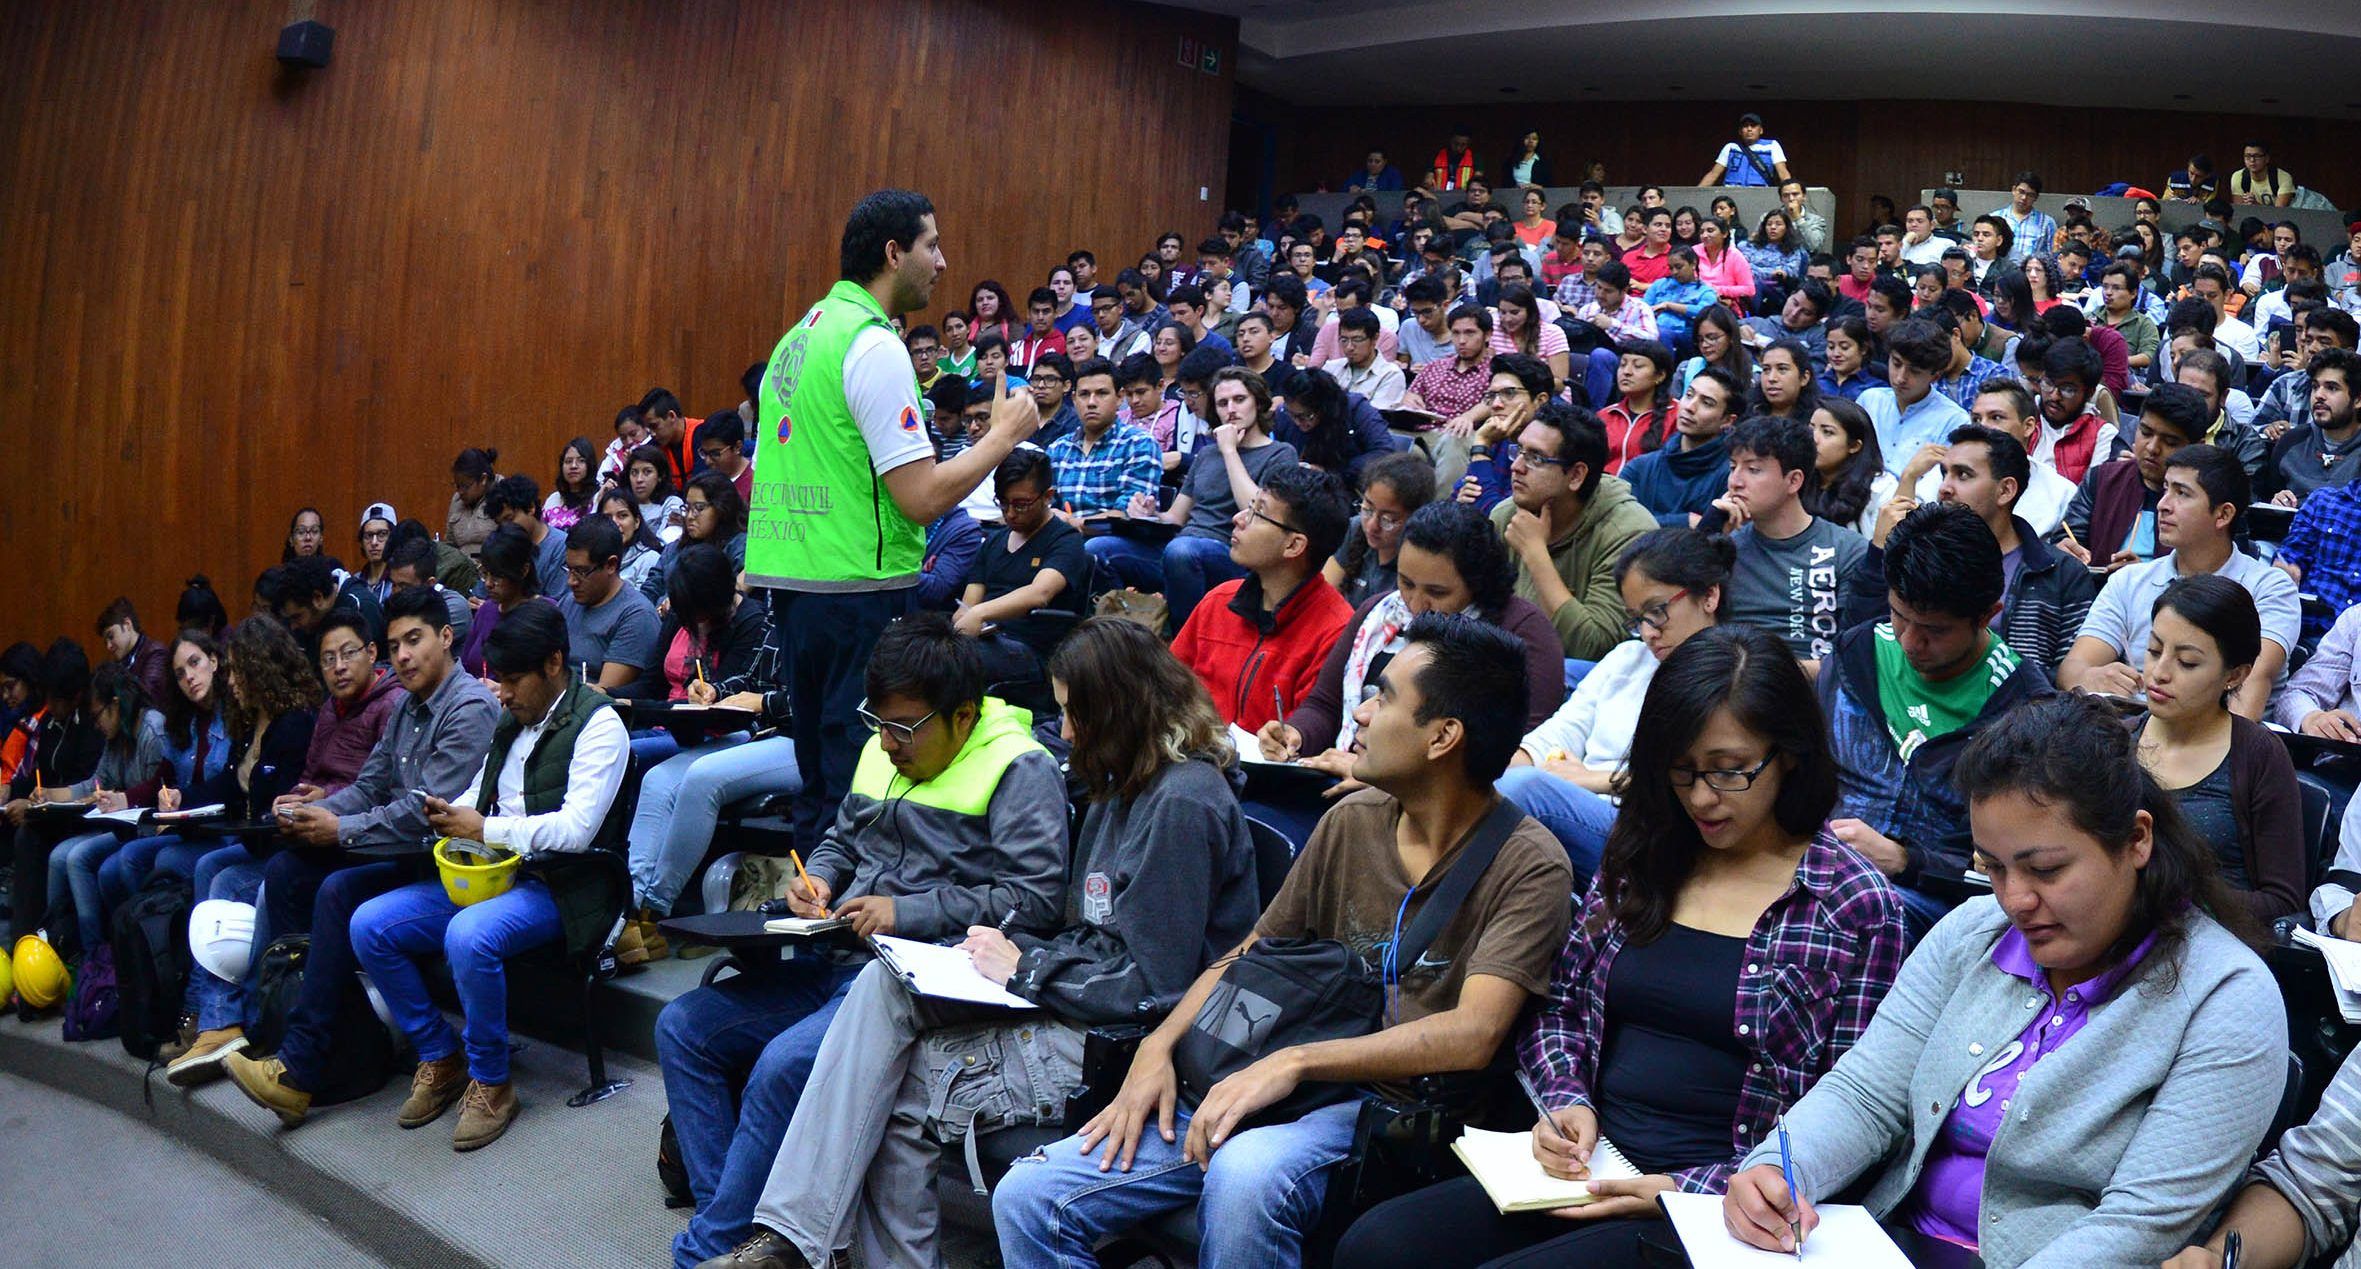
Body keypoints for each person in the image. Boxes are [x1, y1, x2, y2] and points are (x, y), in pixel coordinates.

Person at [995, 612, 1573, 1269]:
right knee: (1029, 1197)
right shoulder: (1352, 820)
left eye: (1383, 698)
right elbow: (1250, 950)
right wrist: (1158, 1046)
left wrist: (1294, 1062)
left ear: (1443, 736)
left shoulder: (1528, 862)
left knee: (1247, 1172)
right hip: (1272, 1068)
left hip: (1391, 1107)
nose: (1360, 714)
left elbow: (1473, 1033)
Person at [1341, 626, 1909, 1269]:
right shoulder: (1647, 855)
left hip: (1722, 1205)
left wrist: (1683, 1189)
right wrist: (1565, 1102)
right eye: (1681, 770)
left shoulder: (1852, 905)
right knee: (1376, 1246)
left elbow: (1854, 1109)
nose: (1701, 796)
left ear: (1791, 756)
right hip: (1590, 1166)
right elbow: (1561, 1007)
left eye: (1729, 771)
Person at [706, 618, 1264, 1269]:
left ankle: (800, 1242)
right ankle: (797, 1237)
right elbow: (1083, 931)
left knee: (902, 1087)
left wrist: (1026, 967)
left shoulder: (1182, 803)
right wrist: (1004, 955)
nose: (1066, 732)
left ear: (1117, 711)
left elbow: (1153, 989)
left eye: (1074, 713)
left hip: (1130, 1042)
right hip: (1072, 996)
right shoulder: (1123, 783)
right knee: (884, 983)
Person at [1722, 692, 2282, 1265]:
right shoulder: (1972, 933)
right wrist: (1779, 1170)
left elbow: (2138, 1225)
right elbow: (1865, 1095)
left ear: (2137, 840)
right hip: (1890, 1244)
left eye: (2046, 870)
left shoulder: (2225, 998)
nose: (2015, 899)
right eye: (1992, 867)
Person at [655, 613, 1067, 1269]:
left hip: (915, 982)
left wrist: (906, 911)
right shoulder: (887, 743)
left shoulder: (1020, 768)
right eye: (878, 724)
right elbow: (843, 838)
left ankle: (709, 1248)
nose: (888, 742)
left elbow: (1036, 900)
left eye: (904, 728)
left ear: (962, 716)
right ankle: (731, 1230)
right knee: (684, 1027)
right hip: (837, 951)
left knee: (785, 1064)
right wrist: (817, 876)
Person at [741, 193, 1043, 849]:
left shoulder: (799, 338)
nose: (942, 262)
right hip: (856, 589)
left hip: (794, 587)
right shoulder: (872, 345)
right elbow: (921, 498)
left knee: (818, 777)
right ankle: (841, 912)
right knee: (859, 784)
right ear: (893, 253)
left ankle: (811, 905)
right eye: (931, 245)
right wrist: (1003, 436)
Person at [343, 602, 629, 1151]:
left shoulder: (600, 724)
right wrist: (451, 812)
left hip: (565, 885)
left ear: (553, 664)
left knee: (468, 935)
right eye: (499, 678)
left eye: (513, 679)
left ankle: (493, 1081)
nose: (503, 692)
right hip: (497, 874)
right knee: (370, 925)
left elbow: (576, 831)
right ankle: (439, 1055)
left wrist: (485, 828)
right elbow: (480, 791)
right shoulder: (511, 719)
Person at [222, 586, 501, 1127]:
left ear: (447, 638)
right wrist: (314, 810)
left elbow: (424, 814)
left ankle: (302, 1066)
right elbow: (369, 785)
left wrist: (339, 829)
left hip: (443, 861)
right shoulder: (408, 706)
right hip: (398, 850)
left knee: (336, 890)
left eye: (414, 640)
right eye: (395, 645)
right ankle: (323, 1048)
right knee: (286, 872)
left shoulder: (469, 707)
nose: (403, 656)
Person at [1819, 503, 2054, 931]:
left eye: (1935, 630)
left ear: (1988, 615)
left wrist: (1905, 861)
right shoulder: (1857, 655)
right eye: (1898, 615)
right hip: (1818, 870)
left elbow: (2015, 868)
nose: (1910, 642)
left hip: (1935, 911)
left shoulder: (2024, 709)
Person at [1493, 527, 1732, 879]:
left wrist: (1595, 780)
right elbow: (1561, 731)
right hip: (1579, 804)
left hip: (1651, 829)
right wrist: (1494, 772)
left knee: (1524, 790)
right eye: (1636, 619)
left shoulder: (1732, 674)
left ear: (1709, 596)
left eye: (1657, 611)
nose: (1648, 632)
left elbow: (1706, 780)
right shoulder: (1628, 658)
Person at [2061, 444, 2297, 721]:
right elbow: (2073, 668)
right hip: (2129, 731)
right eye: (2165, 489)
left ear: (2223, 515)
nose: (2162, 505)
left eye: (2182, 493)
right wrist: (2092, 677)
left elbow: (2247, 695)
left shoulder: (2269, 589)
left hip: (2220, 738)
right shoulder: (2129, 581)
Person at [2123, 575, 2306, 925]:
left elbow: (2283, 900)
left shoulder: (2258, 756)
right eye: (2154, 650)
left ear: (2234, 676)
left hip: (2215, 940)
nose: (2159, 673)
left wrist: (2168, 898)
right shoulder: (2116, 743)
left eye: (2187, 662)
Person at [1871, 423, 2094, 676]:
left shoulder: (2060, 572)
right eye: (1944, 474)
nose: (1944, 488)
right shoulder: (1915, 554)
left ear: (2006, 490)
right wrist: (1877, 551)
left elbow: (2072, 673)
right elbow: (1868, 637)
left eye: (1963, 475)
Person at [1093, 368, 1302, 631]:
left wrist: (1230, 451)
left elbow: (1257, 514)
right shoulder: (1207, 455)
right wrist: (1150, 514)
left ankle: (1185, 643)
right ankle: (1126, 634)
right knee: (1098, 549)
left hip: (1234, 553)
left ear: (1258, 403)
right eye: (1222, 403)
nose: (1231, 410)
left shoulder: (1280, 453)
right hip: (1180, 548)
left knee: (1182, 551)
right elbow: (1176, 517)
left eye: (1239, 400)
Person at [1172, 463, 1355, 733]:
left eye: (1258, 513)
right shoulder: (1219, 600)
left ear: (1294, 545)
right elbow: (1169, 687)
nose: (1238, 519)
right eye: (1250, 506)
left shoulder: (1335, 631)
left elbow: (1303, 734)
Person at [1487, 400, 1659, 660]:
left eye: (1535, 458)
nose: (1516, 466)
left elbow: (1594, 648)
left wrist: (1536, 555)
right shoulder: (1506, 515)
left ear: (1576, 475)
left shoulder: (1629, 532)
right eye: (1518, 451)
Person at [26, 663, 164, 958]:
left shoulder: (152, 729)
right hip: (124, 827)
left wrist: (122, 798)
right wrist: (51, 794)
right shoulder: (115, 738)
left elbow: (161, 787)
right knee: (58, 856)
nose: (96, 724)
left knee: (78, 858)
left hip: (147, 828)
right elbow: (95, 783)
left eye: (98, 715)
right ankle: (54, 947)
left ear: (115, 705)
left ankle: (95, 954)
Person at [1707, 414, 1867, 663]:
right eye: (1732, 467)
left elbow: (1854, 658)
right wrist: (1708, 534)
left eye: (1753, 469)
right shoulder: (1724, 546)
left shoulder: (1847, 549)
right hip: (1730, 673)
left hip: (1811, 680)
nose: (1735, 482)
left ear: (1793, 480)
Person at [954, 448, 1091, 706]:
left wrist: (979, 614)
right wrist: (962, 620)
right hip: (988, 638)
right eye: (1003, 503)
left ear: (1047, 496)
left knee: (955, 660)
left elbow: (1040, 593)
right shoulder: (994, 541)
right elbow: (968, 602)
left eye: (1021, 505)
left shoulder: (1065, 540)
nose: (1010, 513)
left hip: (1035, 650)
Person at [2059, 383, 2211, 574]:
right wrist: (2066, 550)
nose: (2152, 448)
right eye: (2146, 433)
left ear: (2197, 446)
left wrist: (2141, 577)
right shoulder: (2102, 479)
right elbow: (2070, 535)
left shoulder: (2207, 500)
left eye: (2170, 442)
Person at [1046, 356, 1158, 526]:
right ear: (1074, 399)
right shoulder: (1058, 449)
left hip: (1115, 537)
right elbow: (1044, 503)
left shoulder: (1139, 444)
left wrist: (1074, 524)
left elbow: (1129, 514)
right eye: (1084, 394)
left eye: (1102, 393)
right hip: (1061, 536)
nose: (1091, 402)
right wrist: (1050, 513)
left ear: (1119, 397)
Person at [555, 518, 661, 695]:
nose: (571, 581)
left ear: (611, 565)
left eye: (581, 572)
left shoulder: (636, 616)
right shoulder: (568, 602)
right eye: (569, 569)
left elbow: (602, 695)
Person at [1622, 366, 1741, 525]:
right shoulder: (1640, 468)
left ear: (1727, 420)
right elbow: (1619, 526)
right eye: (1689, 395)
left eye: (1707, 403)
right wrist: (1685, 521)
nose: (1690, 407)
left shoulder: (1732, 477)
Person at [1861, 318, 1971, 479]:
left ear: (1935, 376)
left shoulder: (1954, 420)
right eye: (1896, 364)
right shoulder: (1870, 400)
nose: (1900, 378)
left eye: (1914, 371)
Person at [1327, 452, 1436, 608]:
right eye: (1367, 509)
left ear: (1415, 518)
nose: (1372, 526)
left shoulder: (1422, 560)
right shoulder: (1355, 528)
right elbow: (1325, 597)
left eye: (1388, 520)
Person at [2265, 347, 2361, 506]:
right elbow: (2263, 501)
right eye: (2315, 387)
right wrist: (2277, 501)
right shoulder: (2291, 441)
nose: (2319, 395)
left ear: (2358, 400)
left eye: (2332, 388)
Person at [643, 471, 751, 606]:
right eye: (687, 508)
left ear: (722, 508)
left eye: (699, 508)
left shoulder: (739, 546)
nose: (689, 516)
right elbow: (651, 588)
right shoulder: (675, 547)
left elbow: (730, 599)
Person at [1323, 306, 1406, 408]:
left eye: (1357, 340)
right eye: (1344, 340)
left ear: (1374, 338)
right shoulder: (1331, 368)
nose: (1349, 347)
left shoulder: (1390, 375)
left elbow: (1374, 414)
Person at [94, 596, 170, 708]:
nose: (108, 646)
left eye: (111, 636)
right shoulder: (120, 665)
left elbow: (146, 701)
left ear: (127, 624)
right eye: (106, 642)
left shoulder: (156, 654)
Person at [596, 487, 666, 595]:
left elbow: (643, 602)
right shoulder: (593, 559)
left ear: (637, 522)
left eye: (622, 516)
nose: (615, 523)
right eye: (608, 518)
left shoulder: (650, 559)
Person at [1699, 111, 1791, 187]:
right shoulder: (1731, 147)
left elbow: (1782, 172)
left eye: (1753, 126)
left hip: (1759, 193)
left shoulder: (1772, 146)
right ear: (1740, 131)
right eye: (1745, 126)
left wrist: (1789, 191)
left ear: (1761, 130)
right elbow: (1713, 174)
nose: (1749, 129)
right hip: (1732, 193)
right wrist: (1696, 194)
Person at [447, 446, 500, 561]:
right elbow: (450, 545)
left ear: (483, 479)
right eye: (457, 486)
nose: (460, 492)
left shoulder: (503, 495)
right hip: (461, 567)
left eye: (465, 486)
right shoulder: (457, 500)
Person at [695, 410, 756, 507]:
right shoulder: (708, 480)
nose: (707, 461)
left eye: (715, 453)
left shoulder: (755, 482)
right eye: (704, 453)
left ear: (737, 447)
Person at [544, 436, 602, 532]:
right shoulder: (553, 500)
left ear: (590, 465)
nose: (573, 466)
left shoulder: (599, 497)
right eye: (568, 461)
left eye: (581, 461)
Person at [1816, 313, 1878, 401]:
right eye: (1831, 347)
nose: (1836, 354)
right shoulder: (1815, 384)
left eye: (1844, 347)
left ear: (1863, 348)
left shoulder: (1875, 389)